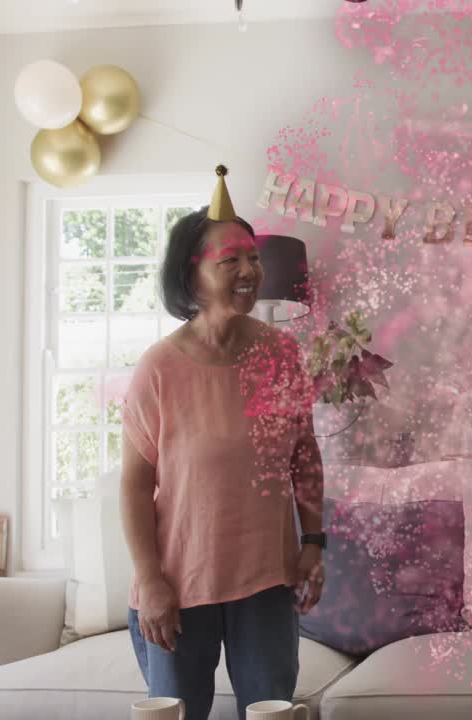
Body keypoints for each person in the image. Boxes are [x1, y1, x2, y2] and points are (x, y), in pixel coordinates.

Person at [121, 166, 326, 720]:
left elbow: (304, 458)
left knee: (271, 713)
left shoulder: (282, 355)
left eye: (253, 257)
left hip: (266, 578)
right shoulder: (158, 368)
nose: (248, 270)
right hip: (178, 584)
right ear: (191, 276)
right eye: (229, 258)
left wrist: (314, 544)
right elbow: (136, 487)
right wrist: (149, 579)